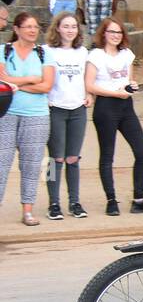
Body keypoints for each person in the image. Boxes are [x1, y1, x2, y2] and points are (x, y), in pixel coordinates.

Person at [86, 17, 143, 215]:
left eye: (119, 32)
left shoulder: (126, 54)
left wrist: (131, 87)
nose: (115, 36)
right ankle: (111, 200)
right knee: (107, 155)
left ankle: (139, 199)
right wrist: (114, 93)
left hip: (125, 106)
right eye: (111, 32)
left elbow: (128, 80)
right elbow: (90, 85)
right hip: (106, 106)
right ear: (104, 33)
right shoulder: (96, 55)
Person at [0, 12, 55, 225]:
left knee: (32, 165)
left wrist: (16, 83)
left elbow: (46, 85)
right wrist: (31, 80)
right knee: (1, 163)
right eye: (28, 26)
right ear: (16, 29)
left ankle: (28, 210)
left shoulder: (43, 53)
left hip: (37, 115)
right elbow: (2, 82)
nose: (33, 30)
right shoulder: (4, 51)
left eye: (35, 27)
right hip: (6, 113)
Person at [44, 11, 91, 219]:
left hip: (77, 109)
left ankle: (75, 201)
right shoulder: (46, 51)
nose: (70, 30)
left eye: (73, 26)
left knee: (73, 158)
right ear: (57, 28)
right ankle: (53, 203)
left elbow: (88, 78)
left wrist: (89, 94)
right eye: (66, 26)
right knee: (56, 158)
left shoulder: (82, 52)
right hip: (56, 108)